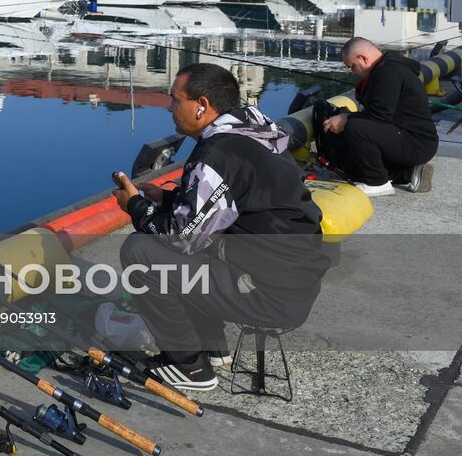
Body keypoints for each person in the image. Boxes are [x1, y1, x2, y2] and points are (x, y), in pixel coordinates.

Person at [112, 63, 329, 392]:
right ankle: (213, 349)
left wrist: (136, 207)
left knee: (141, 252)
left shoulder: (217, 154)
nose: (170, 107)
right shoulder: (251, 127)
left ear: (201, 105)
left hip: (270, 294)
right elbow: (227, 207)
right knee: (194, 249)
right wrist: (169, 199)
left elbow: (182, 238)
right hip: (294, 280)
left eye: (175, 99)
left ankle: (188, 367)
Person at [317, 37, 437, 196]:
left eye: (352, 66)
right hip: (406, 138)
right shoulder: (387, 69)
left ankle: (377, 183)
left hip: (416, 141)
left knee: (355, 127)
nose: (353, 72)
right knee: (352, 167)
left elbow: (380, 114)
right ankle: (409, 172)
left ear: (363, 58)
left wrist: (346, 119)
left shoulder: (389, 71)